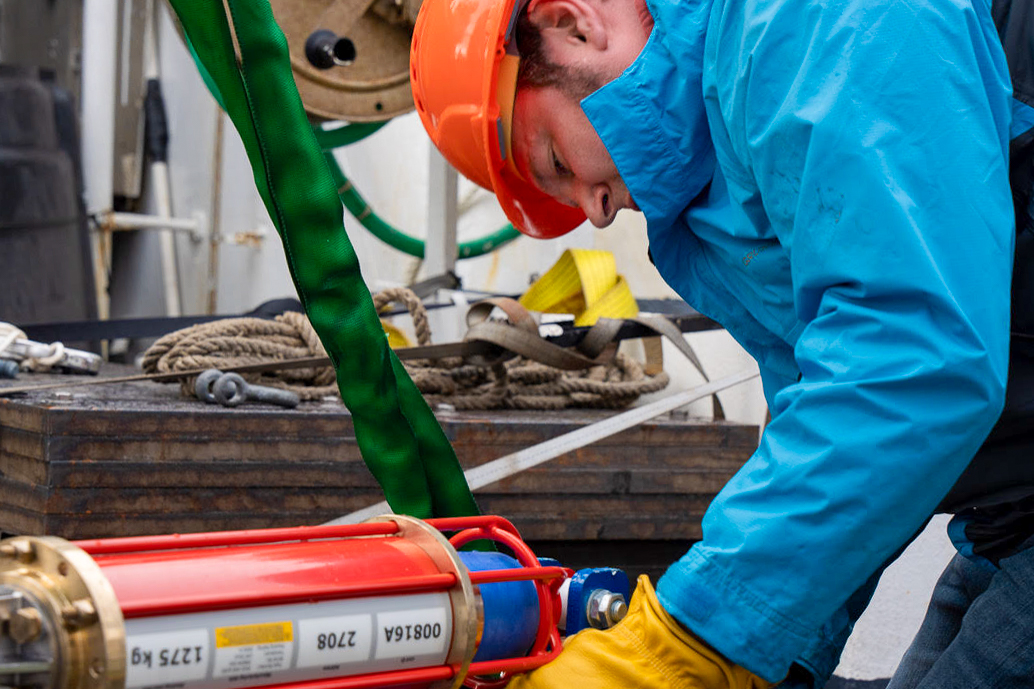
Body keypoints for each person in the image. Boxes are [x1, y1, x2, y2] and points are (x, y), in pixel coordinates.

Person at [410, 0, 1034, 686]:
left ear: (573, 23)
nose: (593, 209)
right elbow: (828, 412)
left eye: (557, 160)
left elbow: (909, 358)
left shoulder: (816, 22)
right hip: (1008, 510)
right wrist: (767, 651)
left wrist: (690, 636)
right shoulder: (730, 155)